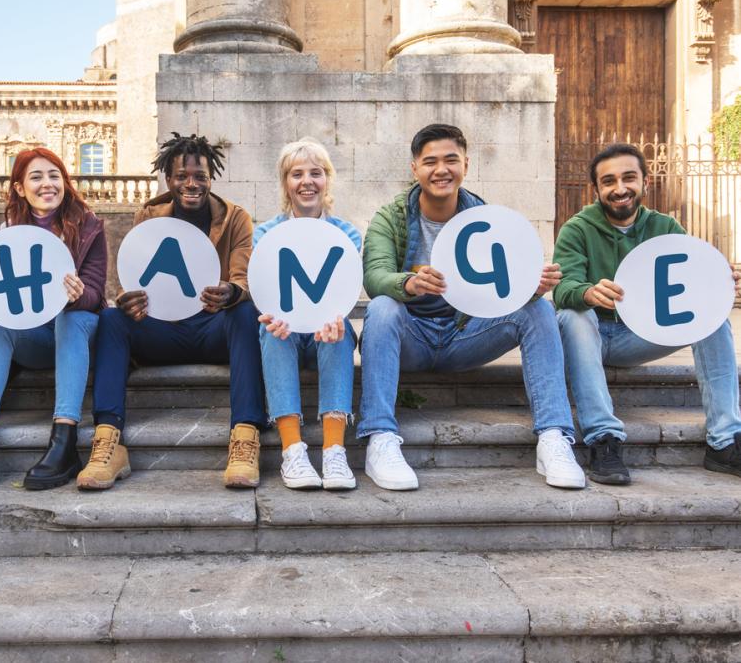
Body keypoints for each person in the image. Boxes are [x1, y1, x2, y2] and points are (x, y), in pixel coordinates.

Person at [358, 123, 583, 491]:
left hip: (466, 335)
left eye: (451, 159)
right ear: (414, 169)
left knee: (538, 310)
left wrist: (530, 288)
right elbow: (375, 275)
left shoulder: (485, 218)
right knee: (383, 307)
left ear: (466, 164)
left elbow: (502, 292)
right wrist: (408, 283)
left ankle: (553, 437)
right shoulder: (393, 216)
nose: (441, 169)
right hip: (410, 336)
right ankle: (380, 437)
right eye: (430, 161)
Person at [79, 133, 267, 490]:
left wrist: (230, 292)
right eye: (182, 176)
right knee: (111, 318)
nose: (191, 184)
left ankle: (245, 436)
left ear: (212, 178)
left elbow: (243, 278)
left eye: (200, 176)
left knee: (245, 314)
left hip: (212, 328)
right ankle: (109, 440)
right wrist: (127, 299)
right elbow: (136, 276)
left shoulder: (235, 218)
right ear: (169, 178)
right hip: (162, 330)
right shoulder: (149, 215)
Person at [554, 143, 741, 484]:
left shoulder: (665, 227)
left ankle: (724, 442)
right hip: (590, 335)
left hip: (640, 337)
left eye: (629, 178)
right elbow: (561, 288)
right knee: (572, 315)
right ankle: (603, 440)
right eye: (609, 181)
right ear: (597, 189)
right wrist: (588, 292)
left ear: (645, 182)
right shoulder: (577, 229)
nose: (620, 188)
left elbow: (690, 282)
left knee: (713, 321)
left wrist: (721, 282)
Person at [0, 148, 106, 492]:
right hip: (35, 340)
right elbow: (4, 303)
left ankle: (64, 441)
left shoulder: (89, 226)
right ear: (20, 188)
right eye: (36, 177)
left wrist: (76, 293)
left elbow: (96, 295)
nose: (47, 184)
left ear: (65, 183)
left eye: (55, 176)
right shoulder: (8, 232)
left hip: (78, 335)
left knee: (72, 319)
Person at [255, 138, 360, 490]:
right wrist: (272, 316)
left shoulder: (347, 235)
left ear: (327, 179)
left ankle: (333, 451)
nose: (307, 181)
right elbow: (265, 290)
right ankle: (293, 451)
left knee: (339, 327)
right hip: (286, 333)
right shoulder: (265, 234)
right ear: (286, 182)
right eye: (297, 173)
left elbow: (342, 292)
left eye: (316, 173)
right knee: (272, 330)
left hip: (323, 338)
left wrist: (332, 320)